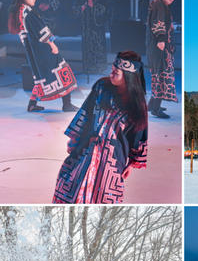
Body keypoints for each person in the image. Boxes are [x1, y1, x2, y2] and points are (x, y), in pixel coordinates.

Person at [53, 51, 148, 203]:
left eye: (116, 72)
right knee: (71, 190)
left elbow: (138, 134)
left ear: (129, 76)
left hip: (112, 161)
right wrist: (74, 140)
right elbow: (85, 114)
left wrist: (131, 162)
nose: (112, 72)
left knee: (102, 198)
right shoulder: (101, 87)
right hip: (85, 150)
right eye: (112, 69)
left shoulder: (137, 104)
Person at [8, 0, 78, 113]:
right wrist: (52, 44)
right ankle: (67, 105)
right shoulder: (28, 13)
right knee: (62, 70)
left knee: (40, 77)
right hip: (42, 48)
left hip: (34, 51)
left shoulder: (20, 12)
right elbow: (40, 31)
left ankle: (32, 104)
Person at [146, 0, 177, 119]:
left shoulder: (160, 5)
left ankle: (152, 105)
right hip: (159, 45)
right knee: (161, 75)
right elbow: (158, 23)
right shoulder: (159, 5)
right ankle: (156, 109)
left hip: (158, 44)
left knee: (157, 73)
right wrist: (161, 39)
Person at [73, 0, 108, 75]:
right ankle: (87, 68)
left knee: (97, 47)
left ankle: (99, 68)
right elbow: (74, 9)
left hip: (97, 28)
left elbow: (106, 9)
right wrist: (82, 8)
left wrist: (94, 6)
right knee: (87, 47)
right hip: (86, 28)